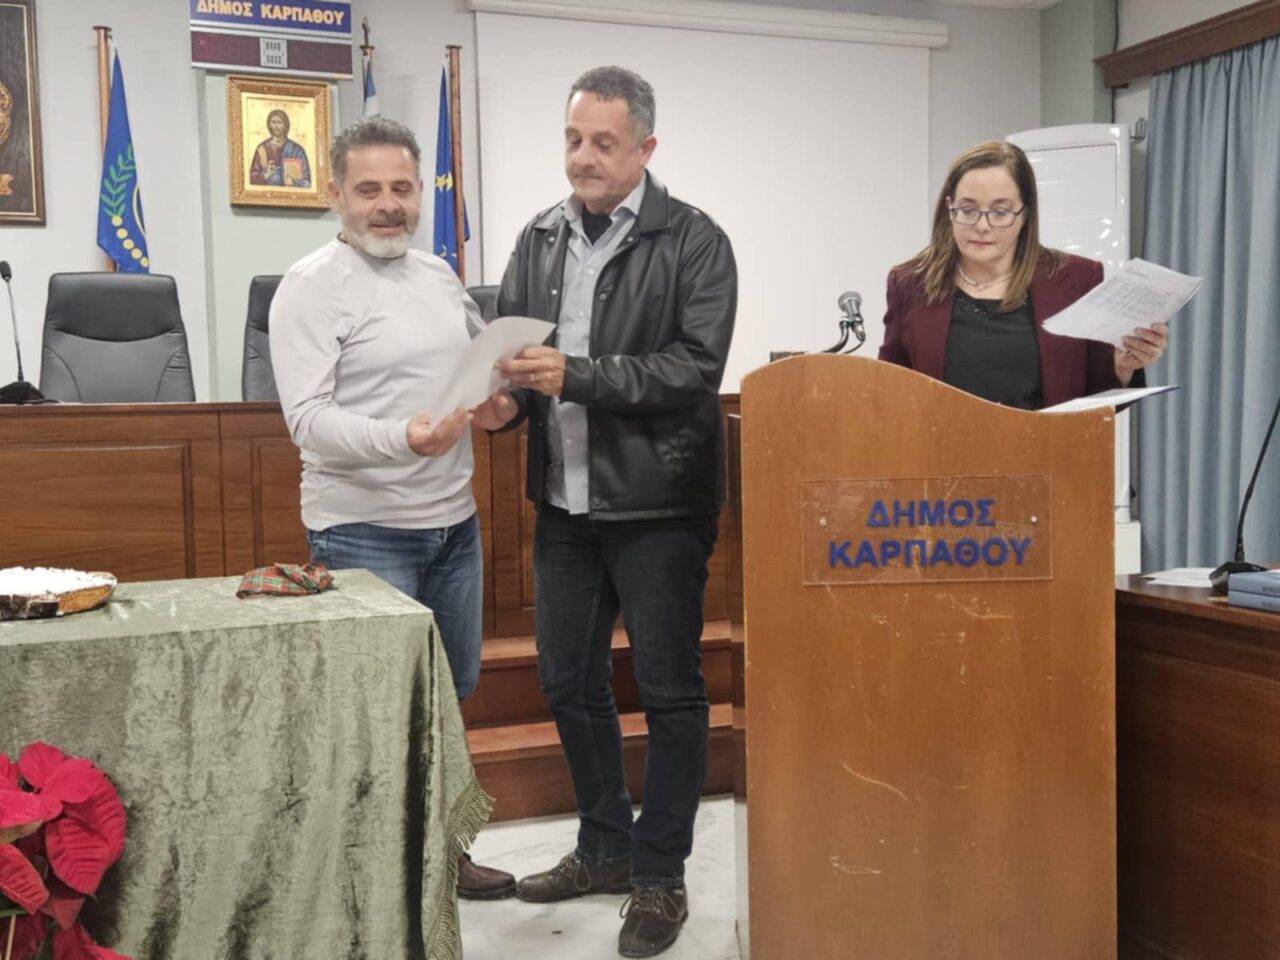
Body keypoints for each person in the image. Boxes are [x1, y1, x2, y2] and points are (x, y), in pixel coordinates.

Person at [494, 65, 736, 959]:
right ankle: (604, 846)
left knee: (670, 691)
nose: (583, 157)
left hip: (659, 504)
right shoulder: (539, 236)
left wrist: (580, 376)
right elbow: (515, 357)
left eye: (603, 142)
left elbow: (695, 369)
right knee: (566, 680)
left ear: (644, 147)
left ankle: (660, 872)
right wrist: (501, 406)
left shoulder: (695, 240)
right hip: (565, 503)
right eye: (572, 139)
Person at [269, 115, 518, 900]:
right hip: (362, 532)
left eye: (402, 188)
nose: (388, 205)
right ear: (335, 194)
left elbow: (478, 380)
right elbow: (307, 421)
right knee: (377, 712)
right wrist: (402, 439)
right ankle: (378, 881)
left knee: (450, 697)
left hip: (454, 527)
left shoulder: (440, 276)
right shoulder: (310, 286)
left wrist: (497, 405)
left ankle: (445, 855)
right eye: (369, 189)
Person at [880, 140, 1168, 408]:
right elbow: (888, 391)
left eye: (1000, 212)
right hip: (941, 447)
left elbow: (1095, 400)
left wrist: (1122, 368)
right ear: (949, 208)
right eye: (968, 209)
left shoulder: (1076, 279)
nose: (982, 225)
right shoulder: (910, 284)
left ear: (1025, 215)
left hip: (1047, 446)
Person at [250, 109, 312, 188]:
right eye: (273, 122)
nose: (276, 126)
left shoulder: (297, 150)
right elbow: (251, 178)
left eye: (279, 122)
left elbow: (307, 182)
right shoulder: (262, 149)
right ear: (269, 125)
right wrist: (266, 175)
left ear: (285, 125)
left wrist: (295, 182)